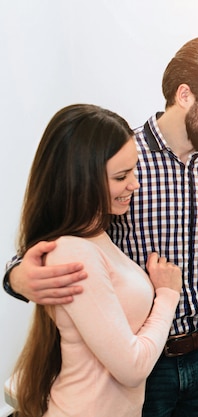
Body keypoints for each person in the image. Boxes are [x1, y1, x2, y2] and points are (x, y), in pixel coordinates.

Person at [4, 36, 198, 417]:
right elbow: (63, 231)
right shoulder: (120, 158)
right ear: (186, 95)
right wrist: (17, 276)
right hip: (141, 364)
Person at [11, 104, 182, 417]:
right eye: (121, 176)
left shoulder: (96, 237)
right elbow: (132, 368)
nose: (135, 184)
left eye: (134, 170)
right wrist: (168, 295)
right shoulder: (74, 253)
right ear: (80, 180)